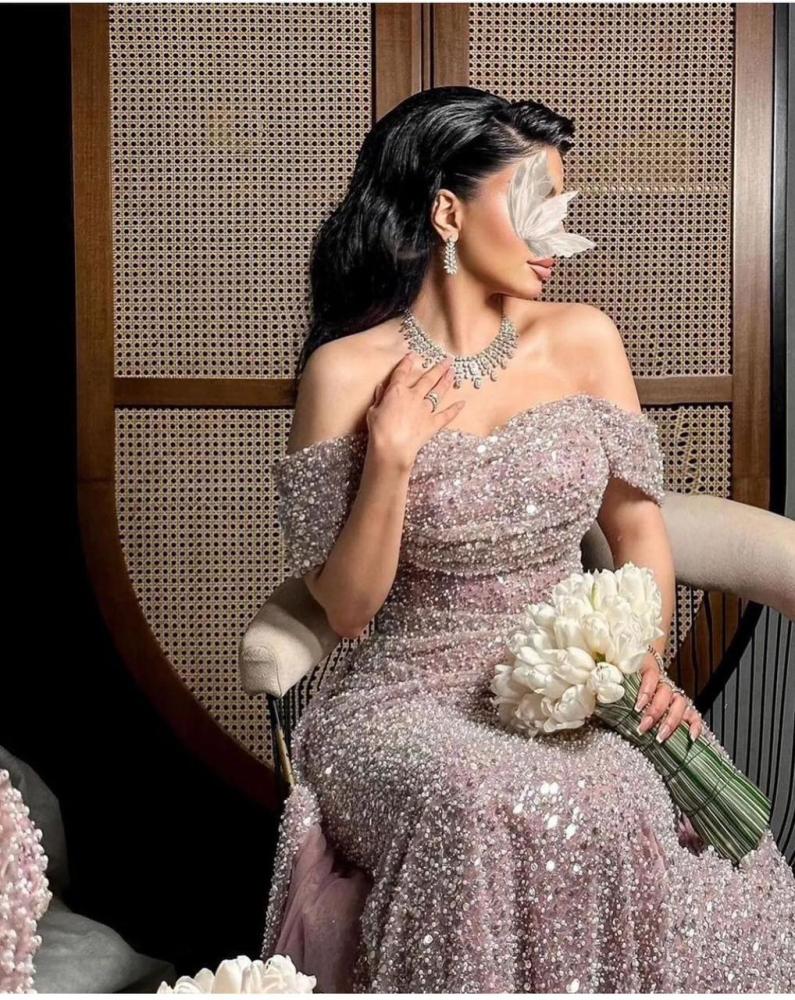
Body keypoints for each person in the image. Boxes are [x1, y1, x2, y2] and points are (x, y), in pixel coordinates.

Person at [259, 87, 795, 992]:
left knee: (617, 798)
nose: (560, 237)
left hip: (572, 685)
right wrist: (390, 455)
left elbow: (636, 528)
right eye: (535, 204)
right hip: (403, 698)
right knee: (478, 800)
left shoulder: (583, 339)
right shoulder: (344, 373)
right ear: (447, 213)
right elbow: (346, 613)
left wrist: (640, 659)